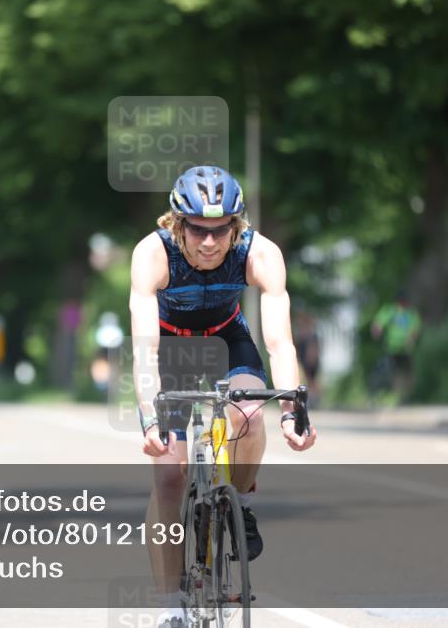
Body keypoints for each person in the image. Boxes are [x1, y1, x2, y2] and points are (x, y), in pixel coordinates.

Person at [129, 165, 318, 627]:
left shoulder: (261, 253)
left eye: (220, 231)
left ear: (237, 226)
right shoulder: (152, 255)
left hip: (226, 340)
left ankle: (243, 503)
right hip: (170, 349)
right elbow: (144, 349)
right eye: (197, 230)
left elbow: (279, 342)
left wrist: (293, 410)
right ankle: (168, 607)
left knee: (250, 413)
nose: (209, 242)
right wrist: (150, 422)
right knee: (170, 476)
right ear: (177, 224)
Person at [370, 290, 422, 400]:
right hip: (392, 348)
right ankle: (399, 396)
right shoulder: (391, 311)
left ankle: (408, 396)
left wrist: (411, 338)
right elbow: (378, 322)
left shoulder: (411, 313)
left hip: (406, 349)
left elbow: (416, 329)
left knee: (407, 373)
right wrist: (377, 330)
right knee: (396, 373)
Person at [294, 310, 322, 409]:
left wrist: (311, 359)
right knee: (307, 380)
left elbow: (314, 349)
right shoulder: (302, 335)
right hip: (304, 361)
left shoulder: (311, 336)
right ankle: (312, 399)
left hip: (309, 361)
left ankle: (315, 400)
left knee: (311, 381)